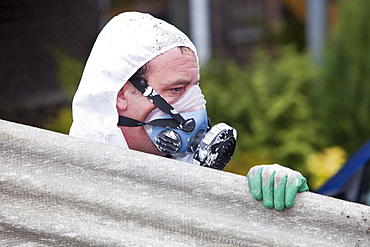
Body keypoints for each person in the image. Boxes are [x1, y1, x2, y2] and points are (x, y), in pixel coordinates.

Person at [69, 12, 309, 211]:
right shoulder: (68, 182)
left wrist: (272, 203)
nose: (194, 106)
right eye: (176, 89)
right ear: (122, 95)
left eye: (194, 87)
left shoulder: (189, 176)